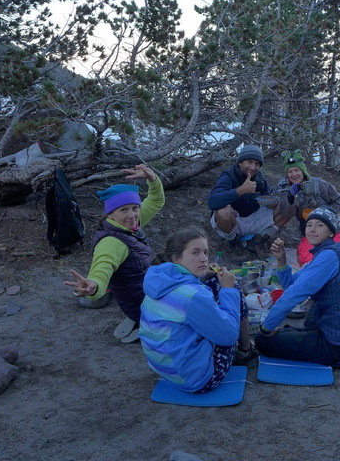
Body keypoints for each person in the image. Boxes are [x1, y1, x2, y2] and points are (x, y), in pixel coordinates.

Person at [139, 227, 257, 393]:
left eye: (206, 252)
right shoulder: (192, 296)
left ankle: (242, 347)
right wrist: (228, 290)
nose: (203, 259)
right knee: (231, 289)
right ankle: (245, 350)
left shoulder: (158, 280)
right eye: (195, 253)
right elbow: (229, 336)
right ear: (176, 258)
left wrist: (202, 275)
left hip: (165, 369)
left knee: (214, 283)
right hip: (197, 380)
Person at [255, 208, 340, 364]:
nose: (312, 229)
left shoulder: (329, 256)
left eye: (319, 225)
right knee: (287, 331)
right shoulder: (326, 252)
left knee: (262, 341)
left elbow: (293, 295)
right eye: (309, 225)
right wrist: (281, 261)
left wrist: (265, 329)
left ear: (331, 232)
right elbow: (291, 284)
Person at [65, 164, 164, 343]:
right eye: (124, 210)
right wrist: (93, 285)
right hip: (144, 304)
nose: (132, 215)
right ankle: (152, 325)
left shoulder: (129, 225)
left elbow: (156, 200)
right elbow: (102, 268)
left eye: (135, 207)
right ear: (110, 214)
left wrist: (152, 179)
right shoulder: (111, 243)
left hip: (147, 294)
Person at [274, 150, 340, 265]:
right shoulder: (285, 189)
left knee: (336, 255)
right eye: (290, 171)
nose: (294, 174)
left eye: (297, 170)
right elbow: (286, 213)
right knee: (307, 259)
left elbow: (339, 200)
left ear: (303, 171)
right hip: (309, 233)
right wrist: (290, 197)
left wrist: (325, 214)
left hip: (330, 230)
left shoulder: (319, 184)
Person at [207, 144, 279, 260]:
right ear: (240, 162)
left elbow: (271, 193)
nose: (253, 167)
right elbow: (212, 202)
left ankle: (258, 240)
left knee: (287, 207)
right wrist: (240, 191)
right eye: (249, 162)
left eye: (257, 164)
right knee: (223, 211)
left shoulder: (259, 177)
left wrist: (273, 201)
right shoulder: (229, 175)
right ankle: (233, 242)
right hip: (234, 222)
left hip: (253, 218)